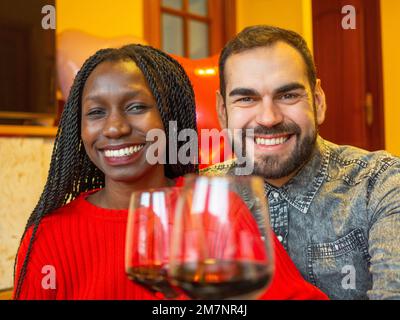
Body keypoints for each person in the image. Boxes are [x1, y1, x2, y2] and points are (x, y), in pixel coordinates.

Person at [13, 43, 327, 300]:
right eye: (96, 112)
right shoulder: (47, 236)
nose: (115, 127)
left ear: (170, 116)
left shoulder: (219, 212)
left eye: (136, 107)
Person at [206, 25, 400, 300]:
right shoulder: (200, 198)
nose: (269, 118)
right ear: (222, 113)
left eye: (287, 96)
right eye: (246, 99)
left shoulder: (381, 184)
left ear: (318, 101)